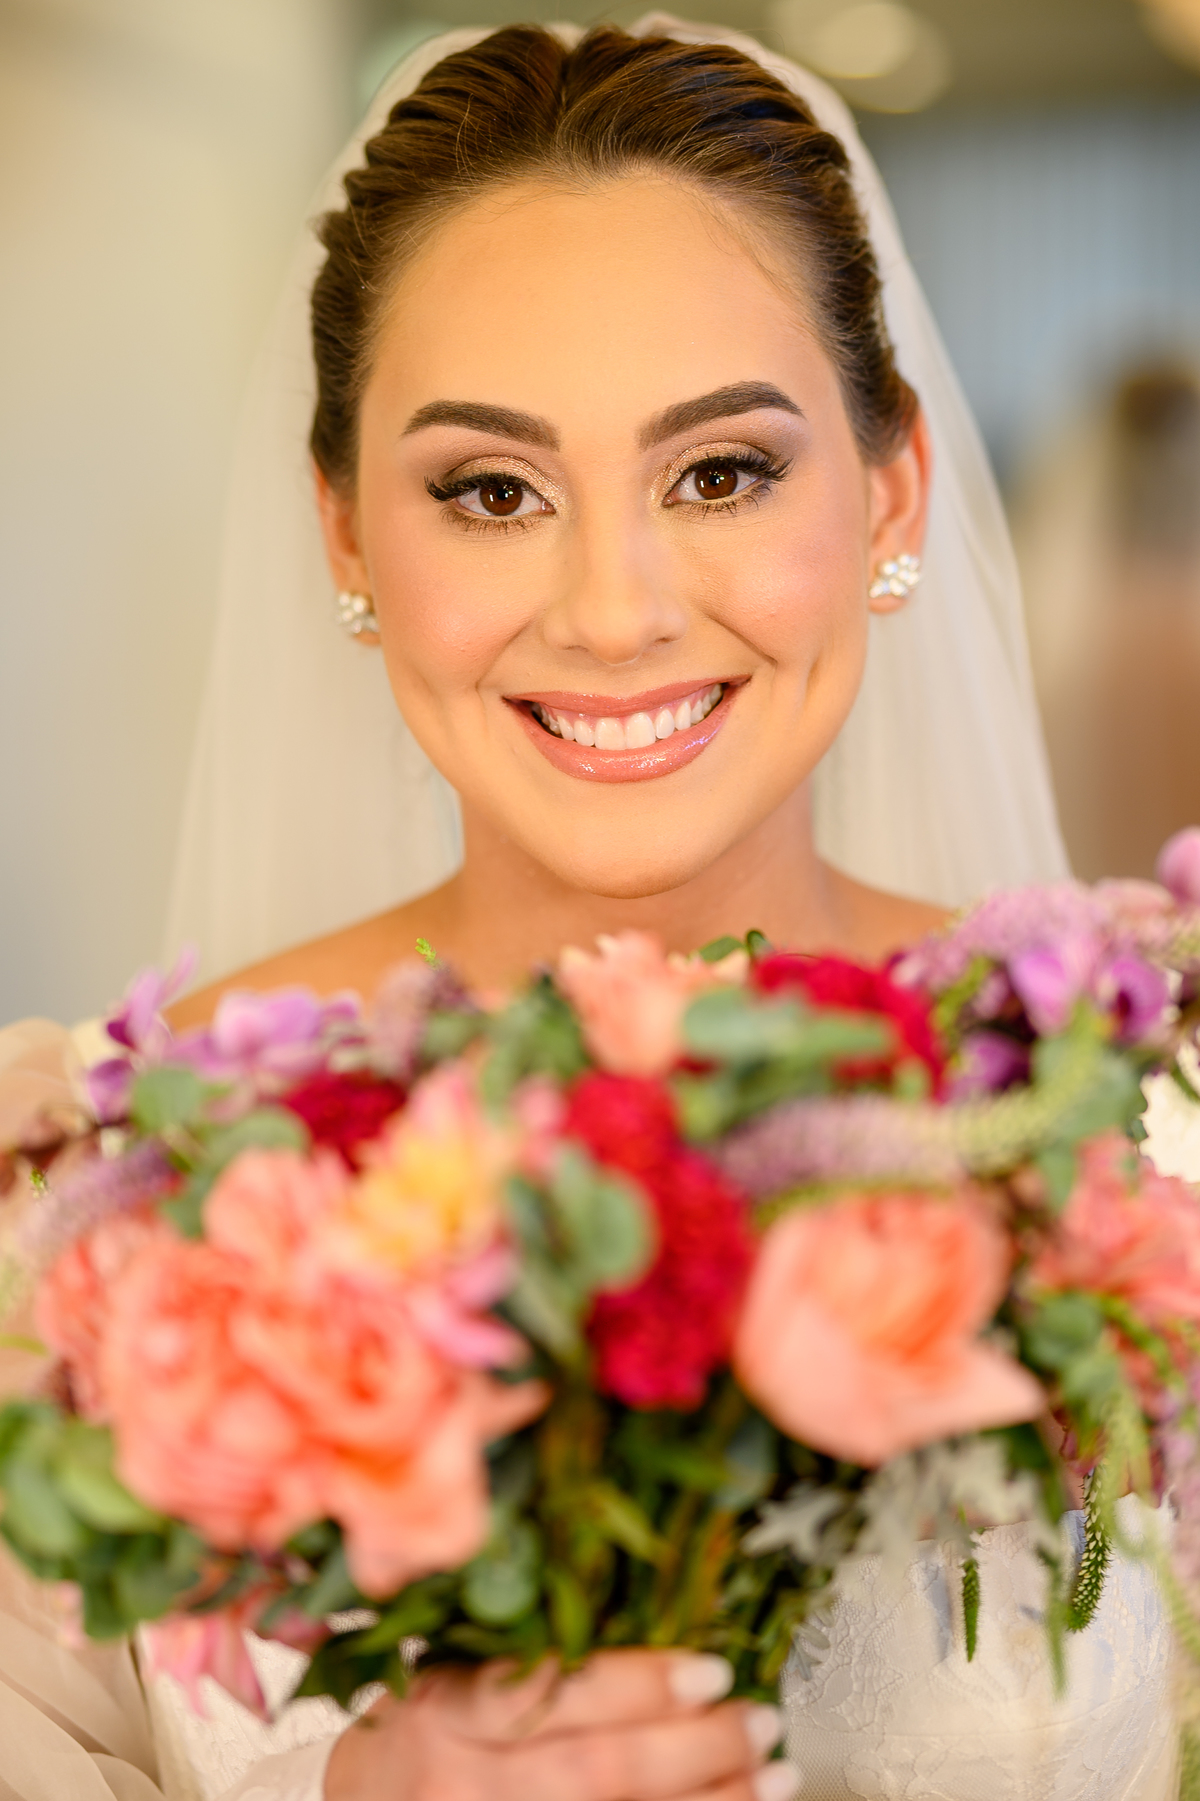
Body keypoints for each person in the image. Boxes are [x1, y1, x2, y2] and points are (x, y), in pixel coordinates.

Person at [0, 17, 1177, 1801]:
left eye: (721, 472)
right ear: (347, 534)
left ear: (892, 490)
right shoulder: (94, 1193)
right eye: (492, 492)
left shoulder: (1141, 1124)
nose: (615, 612)